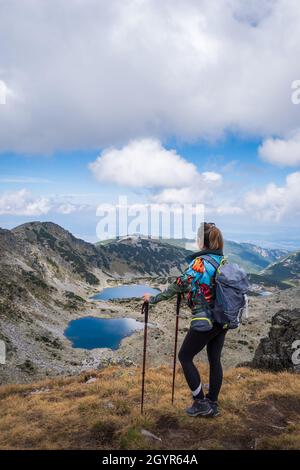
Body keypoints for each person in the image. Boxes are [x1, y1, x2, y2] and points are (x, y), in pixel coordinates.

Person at [143, 222, 226, 418]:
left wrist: (152, 299)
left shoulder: (199, 263)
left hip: (205, 319)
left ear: (202, 242)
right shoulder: (222, 261)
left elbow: (179, 284)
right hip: (223, 319)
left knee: (185, 357)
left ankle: (199, 402)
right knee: (215, 359)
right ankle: (212, 403)